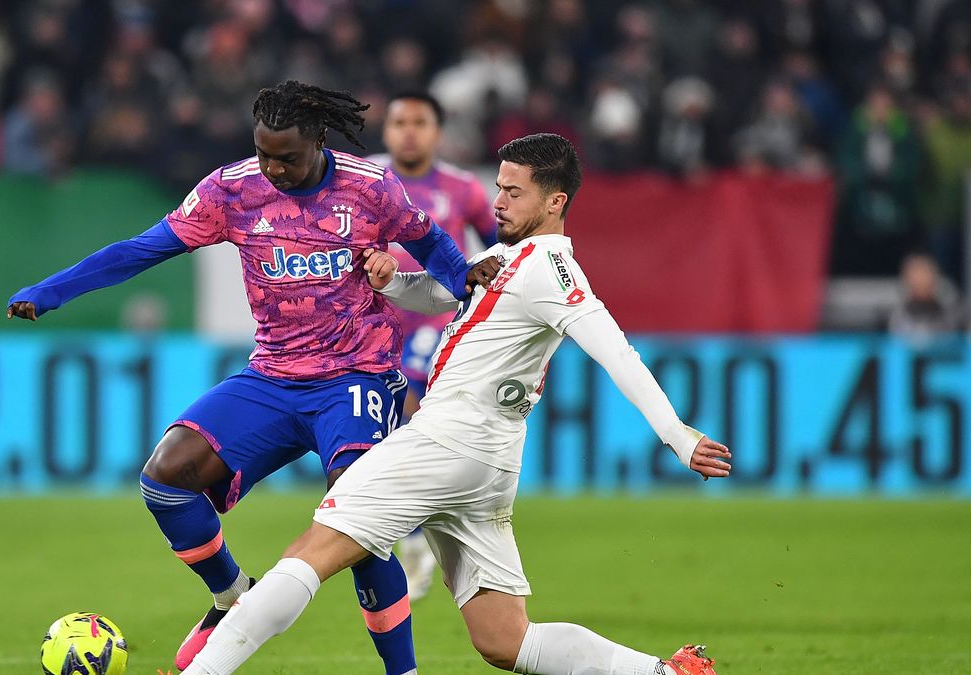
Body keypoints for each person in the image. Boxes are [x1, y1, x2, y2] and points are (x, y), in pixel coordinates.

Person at [183, 133, 731, 675]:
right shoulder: (507, 257)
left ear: (555, 201)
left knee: (315, 549)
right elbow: (445, 293)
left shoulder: (551, 271)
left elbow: (618, 354)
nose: (497, 202)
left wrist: (679, 438)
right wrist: (393, 281)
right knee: (504, 638)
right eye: (498, 188)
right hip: (486, 463)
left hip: (448, 439)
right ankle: (664, 673)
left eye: (514, 192)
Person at [5, 81, 498, 675]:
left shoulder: (371, 188)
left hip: (357, 377)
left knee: (360, 517)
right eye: (264, 153)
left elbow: (440, 250)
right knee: (166, 478)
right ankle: (230, 594)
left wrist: (481, 293)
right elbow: (144, 249)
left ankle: (404, 672)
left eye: (286, 157)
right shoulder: (231, 189)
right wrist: (52, 290)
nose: (274, 169)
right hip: (272, 376)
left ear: (318, 139)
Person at [366, 91, 496, 601]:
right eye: (400, 121)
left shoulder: (464, 188)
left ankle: (422, 534)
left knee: (411, 410)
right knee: (382, 433)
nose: (409, 131)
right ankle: (418, 533)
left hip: (436, 323)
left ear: (437, 131)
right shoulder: (365, 179)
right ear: (387, 129)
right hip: (370, 325)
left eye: (420, 122)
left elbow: (499, 244)